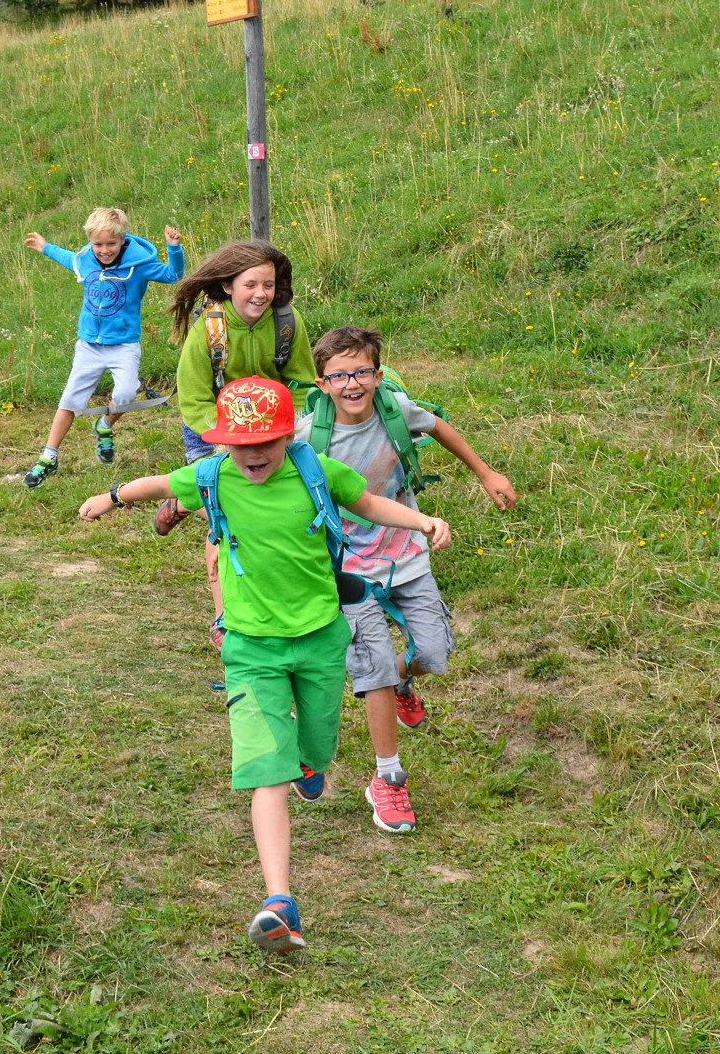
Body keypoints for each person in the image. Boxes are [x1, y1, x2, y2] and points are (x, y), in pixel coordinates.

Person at [78, 376, 452, 953]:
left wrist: (420, 522)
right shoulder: (213, 476)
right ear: (224, 443)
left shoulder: (315, 472)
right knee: (266, 773)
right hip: (250, 648)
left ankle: (307, 761)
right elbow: (159, 484)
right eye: (239, 445)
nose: (252, 456)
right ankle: (279, 900)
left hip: (321, 638)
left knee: (316, 748)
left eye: (265, 444)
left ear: (286, 436)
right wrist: (112, 496)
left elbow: (370, 502)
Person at [291, 325, 516, 836]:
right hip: (345, 568)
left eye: (362, 371)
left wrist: (486, 473)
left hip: (407, 556)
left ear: (377, 373)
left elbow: (438, 427)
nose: (352, 383)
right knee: (371, 669)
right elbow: (254, 467)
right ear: (322, 383)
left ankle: (404, 677)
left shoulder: (395, 409)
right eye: (339, 375)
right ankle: (387, 778)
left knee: (434, 652)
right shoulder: (306, 437)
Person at [156, 239, 314, 535]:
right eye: (250, 284)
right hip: (214, 423)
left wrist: (289, 426)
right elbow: (194, 399)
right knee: (224, 502)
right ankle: (185, 502)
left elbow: (301, 382)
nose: (261, 294)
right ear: (228, 285)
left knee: (279, 489)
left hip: (272, 421)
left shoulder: (288, 321)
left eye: (268, 285)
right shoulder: (208, 328)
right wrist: (225, 436)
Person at [18, 207, 183, 487]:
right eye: (98, 244)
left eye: (111, 244)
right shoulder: (85, 261)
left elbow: (172, 275)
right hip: (89, 346)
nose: (104, 250)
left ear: (122, 240)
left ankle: (104, 425)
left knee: (126, 393)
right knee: (70, 400)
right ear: (91, 242)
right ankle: (49, 456)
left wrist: (174, 247)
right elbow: (67, 256)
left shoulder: (139, 265)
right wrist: (45, 247)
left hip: (124, 345)